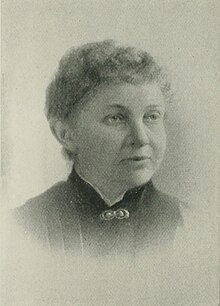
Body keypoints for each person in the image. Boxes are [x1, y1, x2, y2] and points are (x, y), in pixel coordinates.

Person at [13, 40, 183, 257]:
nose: (141, 139)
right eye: (116, 118)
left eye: (152, 116)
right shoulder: (24, 225)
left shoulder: (187, 223)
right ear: (66, 134)